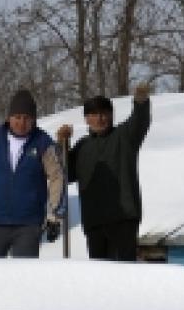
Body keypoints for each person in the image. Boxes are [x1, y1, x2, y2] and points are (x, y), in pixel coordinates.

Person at [56, 84, 151, 261]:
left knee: (124, 271)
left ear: (111, 115)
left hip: (123, 218)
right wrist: (62, 145)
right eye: (93, 114)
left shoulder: (124, 136)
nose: (99, 119)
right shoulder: (83, 146)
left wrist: (141, 102)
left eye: (104, 114)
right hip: (94, 220)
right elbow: (65, 174)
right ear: (86, 119)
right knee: (99, 274)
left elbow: (139, 122)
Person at [0, 88, 65, 258]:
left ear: (34, 120)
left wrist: (54, 215)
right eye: (17, 117)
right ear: (9, 117)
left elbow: (58, 176)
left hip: (28, 224)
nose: (21, 122)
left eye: (27, 118)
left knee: (24, 276)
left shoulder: (43, 142)